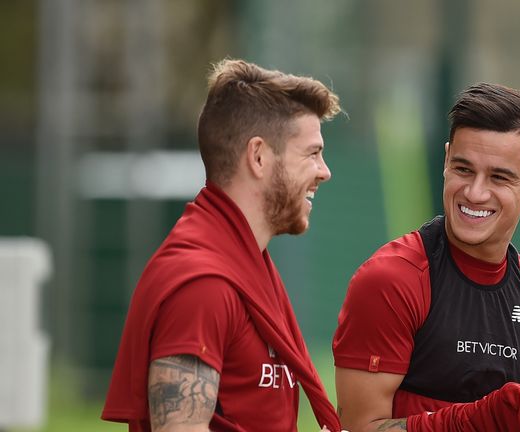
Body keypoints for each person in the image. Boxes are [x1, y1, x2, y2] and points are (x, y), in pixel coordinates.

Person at [102, 59, 344, 432]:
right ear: (259, 156)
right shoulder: (203, 284)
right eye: (312, 153)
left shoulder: (244, 261)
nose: (324, 171)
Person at [332, 83, 520, 431]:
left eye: (499, 177)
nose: (474, 192)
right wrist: (477, 421)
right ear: (446, 159)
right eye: (463, 169)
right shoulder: (390, 281)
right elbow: (358, 428)